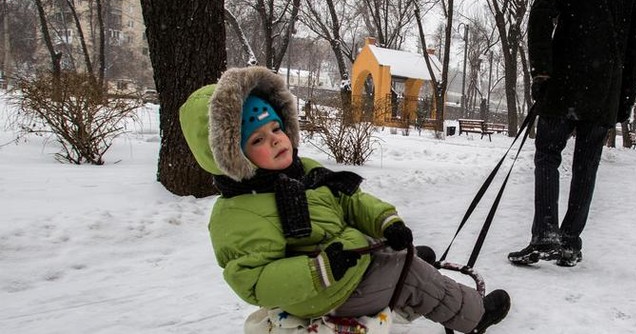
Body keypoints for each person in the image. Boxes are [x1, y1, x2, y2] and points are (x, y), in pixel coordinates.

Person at [179, 66, 510, 333]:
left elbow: (350, 201)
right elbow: (255, 280)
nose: (277, 141)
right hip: (321, 293)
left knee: (395, 251)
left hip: (344, 264)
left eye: (277, 129)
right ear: (232, 157)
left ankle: (397, 265)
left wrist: (386, 222)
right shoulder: (238, 213)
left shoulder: (302, 171)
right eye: (258, 139)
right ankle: (474, 315)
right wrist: (318, 271)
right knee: (412, 276)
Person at [509, 0, 636, 268]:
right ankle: (570, 243)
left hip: (562, 87)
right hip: (604, 95)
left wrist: (542, 71)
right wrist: (624, 102)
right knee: (586, 167)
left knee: (547, 157)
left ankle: (544, 235)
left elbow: (539, 16)